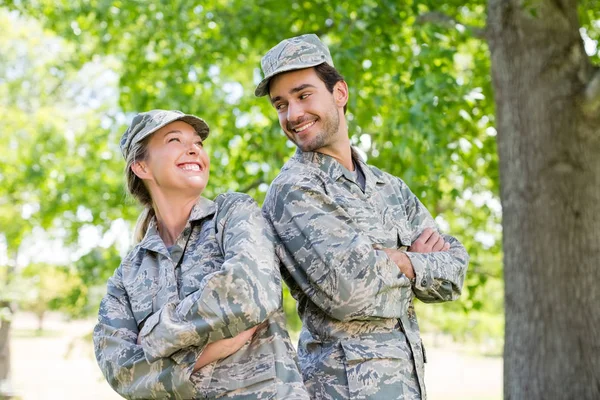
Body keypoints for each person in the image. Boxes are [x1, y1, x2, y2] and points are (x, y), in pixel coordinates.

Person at [255, 34, 470, 400]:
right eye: (281, 104)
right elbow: (349, 293)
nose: (292, 114)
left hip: (406, 384)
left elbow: (454, 274)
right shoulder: (295, 191)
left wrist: (393, 262)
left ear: (339, 93)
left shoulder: (389, 186)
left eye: (303, 95)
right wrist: (416, 261)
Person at [93, 109, 309, 399]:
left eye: (198, 143)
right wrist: (210, 351)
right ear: (141, 167)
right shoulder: (128, 275)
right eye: (174, 140)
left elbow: (250, 292)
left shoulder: (234, 213)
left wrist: (155, 334)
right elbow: (120, 371)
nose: (193, 149)